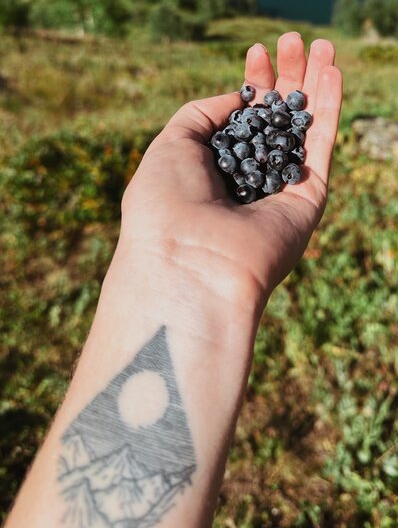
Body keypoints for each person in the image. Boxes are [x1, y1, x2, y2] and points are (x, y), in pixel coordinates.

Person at [6, 33, 343, 528]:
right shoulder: (262, 148)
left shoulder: (265, 144)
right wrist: (175, 273)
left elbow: (264, 152)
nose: (270, 160)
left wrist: (172, 279)